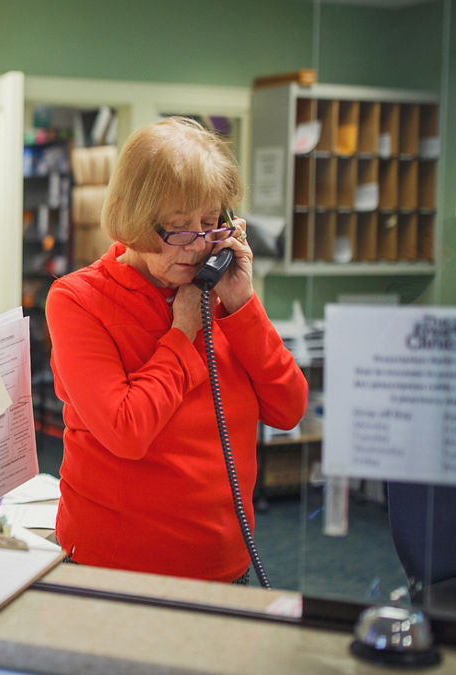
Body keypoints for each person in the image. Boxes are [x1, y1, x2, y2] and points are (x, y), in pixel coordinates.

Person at [44, 118, 308, 584]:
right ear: (132, 217)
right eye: (177, 227)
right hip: (118, 572)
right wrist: (181, 335)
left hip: (225, 565)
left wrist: (243, 306)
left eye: (209, 224)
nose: (196, 244)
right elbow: (126, 430)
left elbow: (288, 409)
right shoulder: (78, 300)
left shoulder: (221, 295)